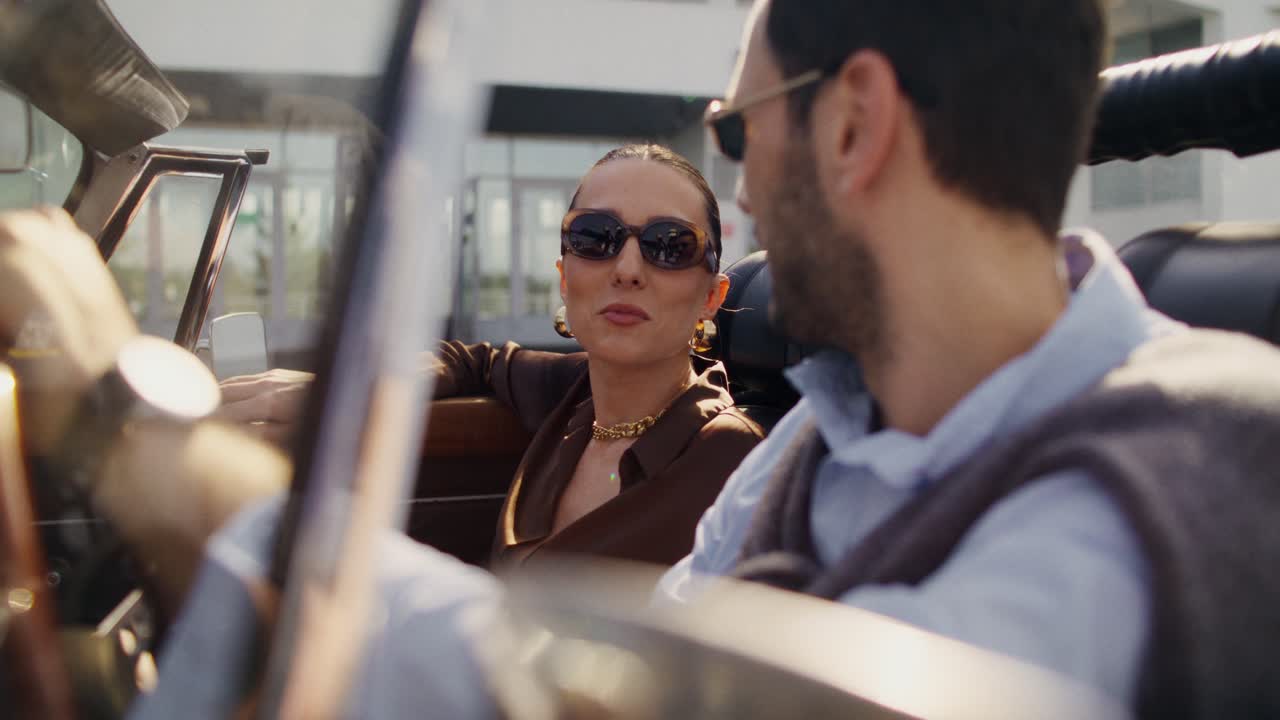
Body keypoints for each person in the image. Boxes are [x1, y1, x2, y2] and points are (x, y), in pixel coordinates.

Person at [5, 0, 1280, 717]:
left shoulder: (1173, 488)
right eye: (594, 241)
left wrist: (147, 440)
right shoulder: (816, 445)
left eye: (735, 128)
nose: (738, 179)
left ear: (852, 127)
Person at [217, 144, 763, 567]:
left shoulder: (731, 459)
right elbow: (472, 361)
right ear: (564, 278)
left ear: (711, 298)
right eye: (596, 237)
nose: (626, 267)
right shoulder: (576, 396)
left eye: (670, 245)